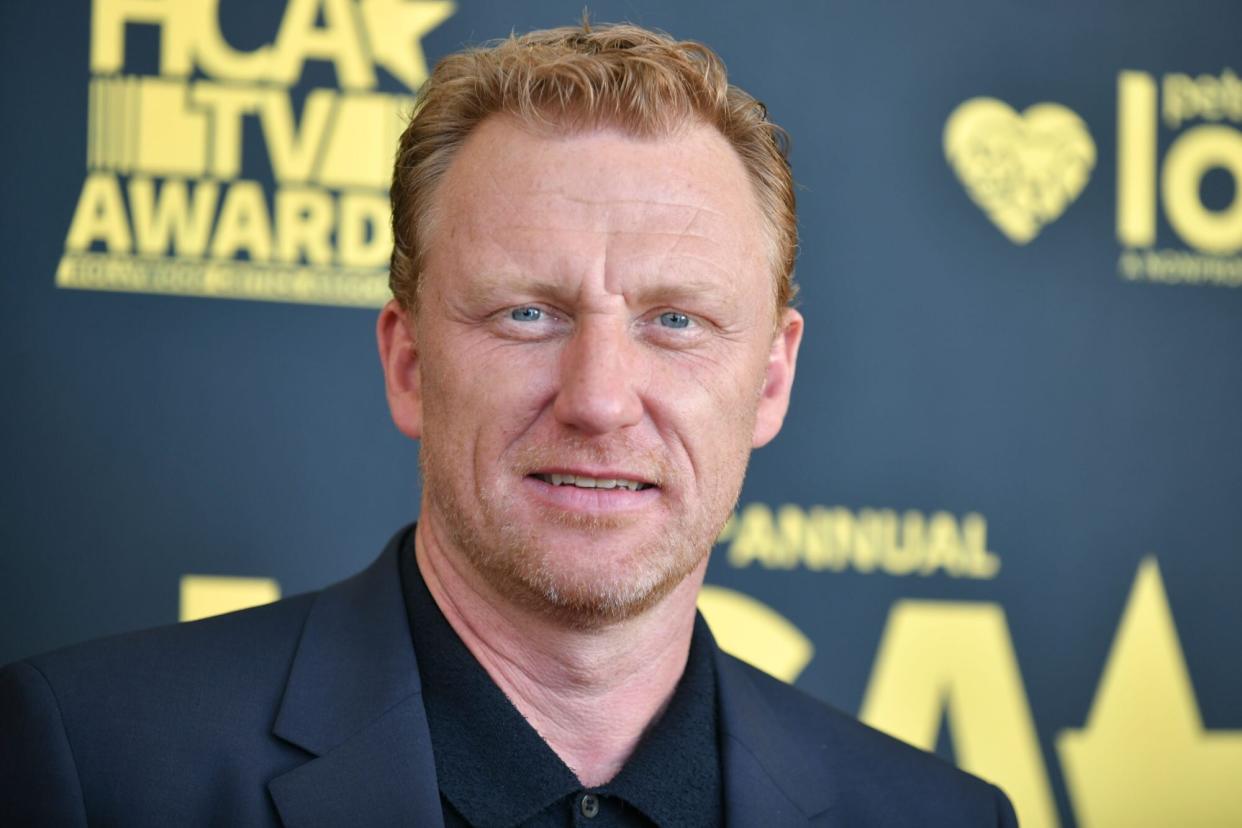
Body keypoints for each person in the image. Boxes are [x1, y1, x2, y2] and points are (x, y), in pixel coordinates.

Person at [0, 21, 1017, 827]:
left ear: (770, 381)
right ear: (408, 363)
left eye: (676, 320)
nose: (600, 398)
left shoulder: (938, 816)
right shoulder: (95, 768)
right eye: (527, 313)